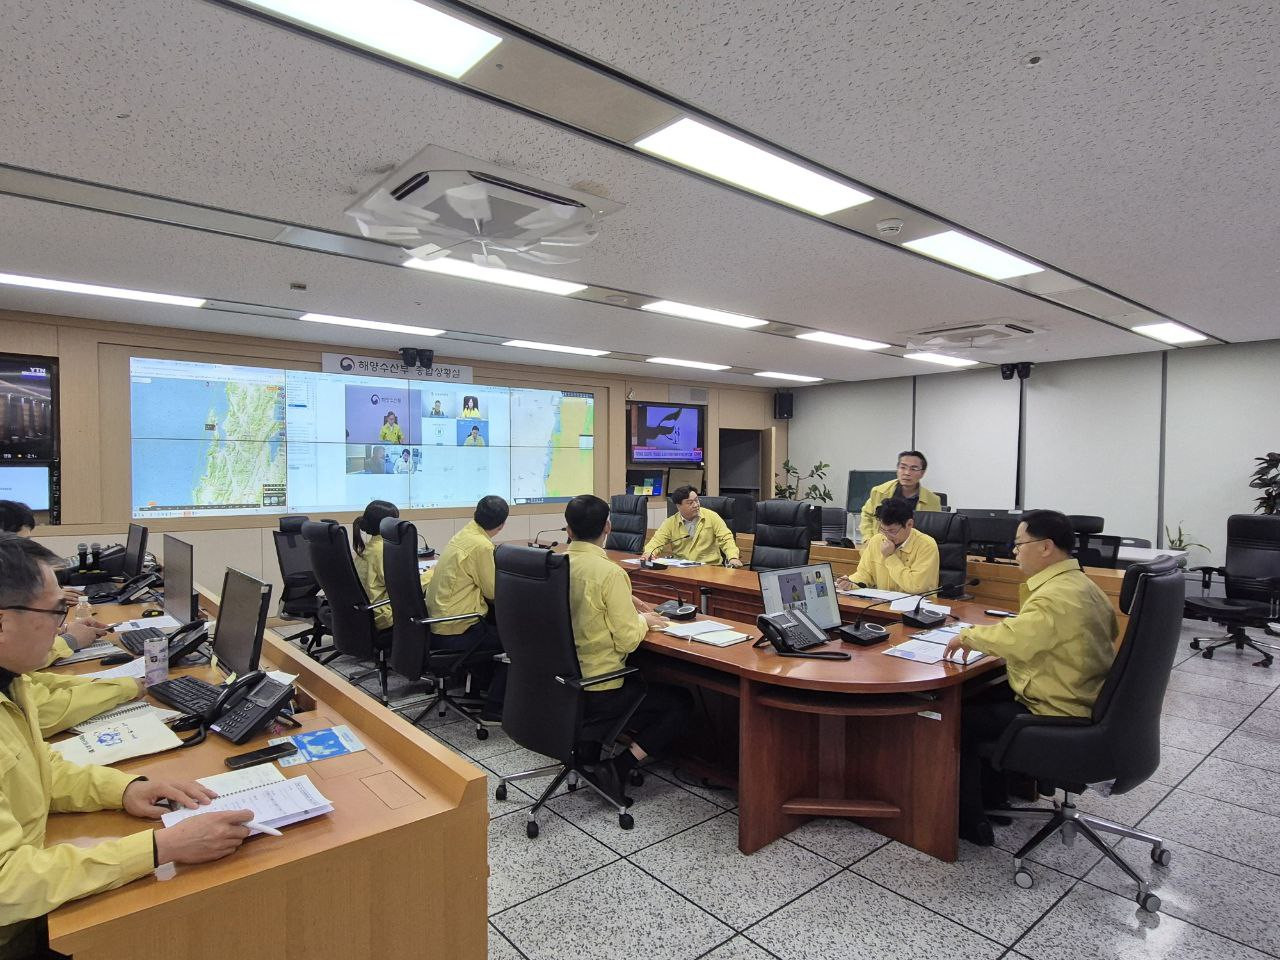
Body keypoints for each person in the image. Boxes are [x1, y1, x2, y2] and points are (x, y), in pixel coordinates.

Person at [0, 537, 254, 952]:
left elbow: (34, 765)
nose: (64, 627)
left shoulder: (12, 680)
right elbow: (6, 887)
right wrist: (160, 847)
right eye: (55, 611)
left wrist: (124, 789)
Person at [943, 510, 1118, 846]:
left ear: (1046, 547)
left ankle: (969, 821)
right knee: (984, 695)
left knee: (956, 720)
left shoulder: (1055, 596)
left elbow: (1017, 639)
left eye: (1020, 544)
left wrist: (966, 636)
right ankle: (997, 798)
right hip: (1083, 698)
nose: (1014, 551)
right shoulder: (1083, 585)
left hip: (1058, 709)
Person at [564, 495, 694, 791]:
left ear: (568, 530)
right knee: (680, 702)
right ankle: (618, 767)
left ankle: (587, 754)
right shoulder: (609, 573)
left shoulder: (559, 564)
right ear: (608, 526)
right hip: (600, 687)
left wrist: (627, 597)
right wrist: (645, 621)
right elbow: (626, 640)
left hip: (564, 683)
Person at [425, 496, 509, 722]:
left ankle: (477, 689)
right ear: (502, 524)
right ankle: (494, 706)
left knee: (493, 625)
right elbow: (493, 592)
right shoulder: (481, 545)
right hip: (456, 630)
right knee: (515, 641)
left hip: (437, 624)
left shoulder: (464, 535)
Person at [352, 500, 432, 632]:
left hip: (367, 613)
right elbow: (405, 589)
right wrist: (432, 573)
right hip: (384, 616)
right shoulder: (383, 550)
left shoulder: (371, 548)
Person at [837, 498, 939, 594]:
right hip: (883, 606)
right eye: (883, 529)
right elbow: (864, 575)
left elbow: (916, 586)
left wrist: (890, 557)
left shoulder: (927, 545)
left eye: (892, 531)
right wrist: (851, 583)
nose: (887, 536)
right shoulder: (877, 541)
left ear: (909, 524)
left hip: (917, 608)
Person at [641, 486, 742, 567]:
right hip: (682, 570)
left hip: (710, 568)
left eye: (696, 500)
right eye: (690, 503)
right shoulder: (670, 522)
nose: (696, 505)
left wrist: (733, 557)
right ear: (678, 506)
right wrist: (649, 553)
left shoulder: (712, 517)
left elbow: (726, 539)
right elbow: (657, 541)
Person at [858, 450, 942, 542]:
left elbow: (935, 531)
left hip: (913, 551)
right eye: (903, 467)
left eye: (913, 469)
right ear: (897, 469)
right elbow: (867, 515)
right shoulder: (880, 492)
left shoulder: (933, 501)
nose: (907, 472)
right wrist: (869, 540)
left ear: (922, 473)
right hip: (881, 546)